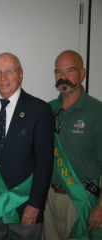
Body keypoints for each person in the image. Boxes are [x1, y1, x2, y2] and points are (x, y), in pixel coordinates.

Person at [0, 52, 54, 240]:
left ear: (20, 74)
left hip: (24, 206)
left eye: (9, 71)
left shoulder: (39, 110)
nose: (3, 78)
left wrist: (35, 205)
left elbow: (44, 163)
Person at [43, 50, 102, 240]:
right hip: (49, 199)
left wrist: (101, 206)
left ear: (82, 74)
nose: (63, 77)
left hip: (80, 200)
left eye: (70, 70)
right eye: (58, 71)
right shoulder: (47, 109)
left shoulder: (97, 111)